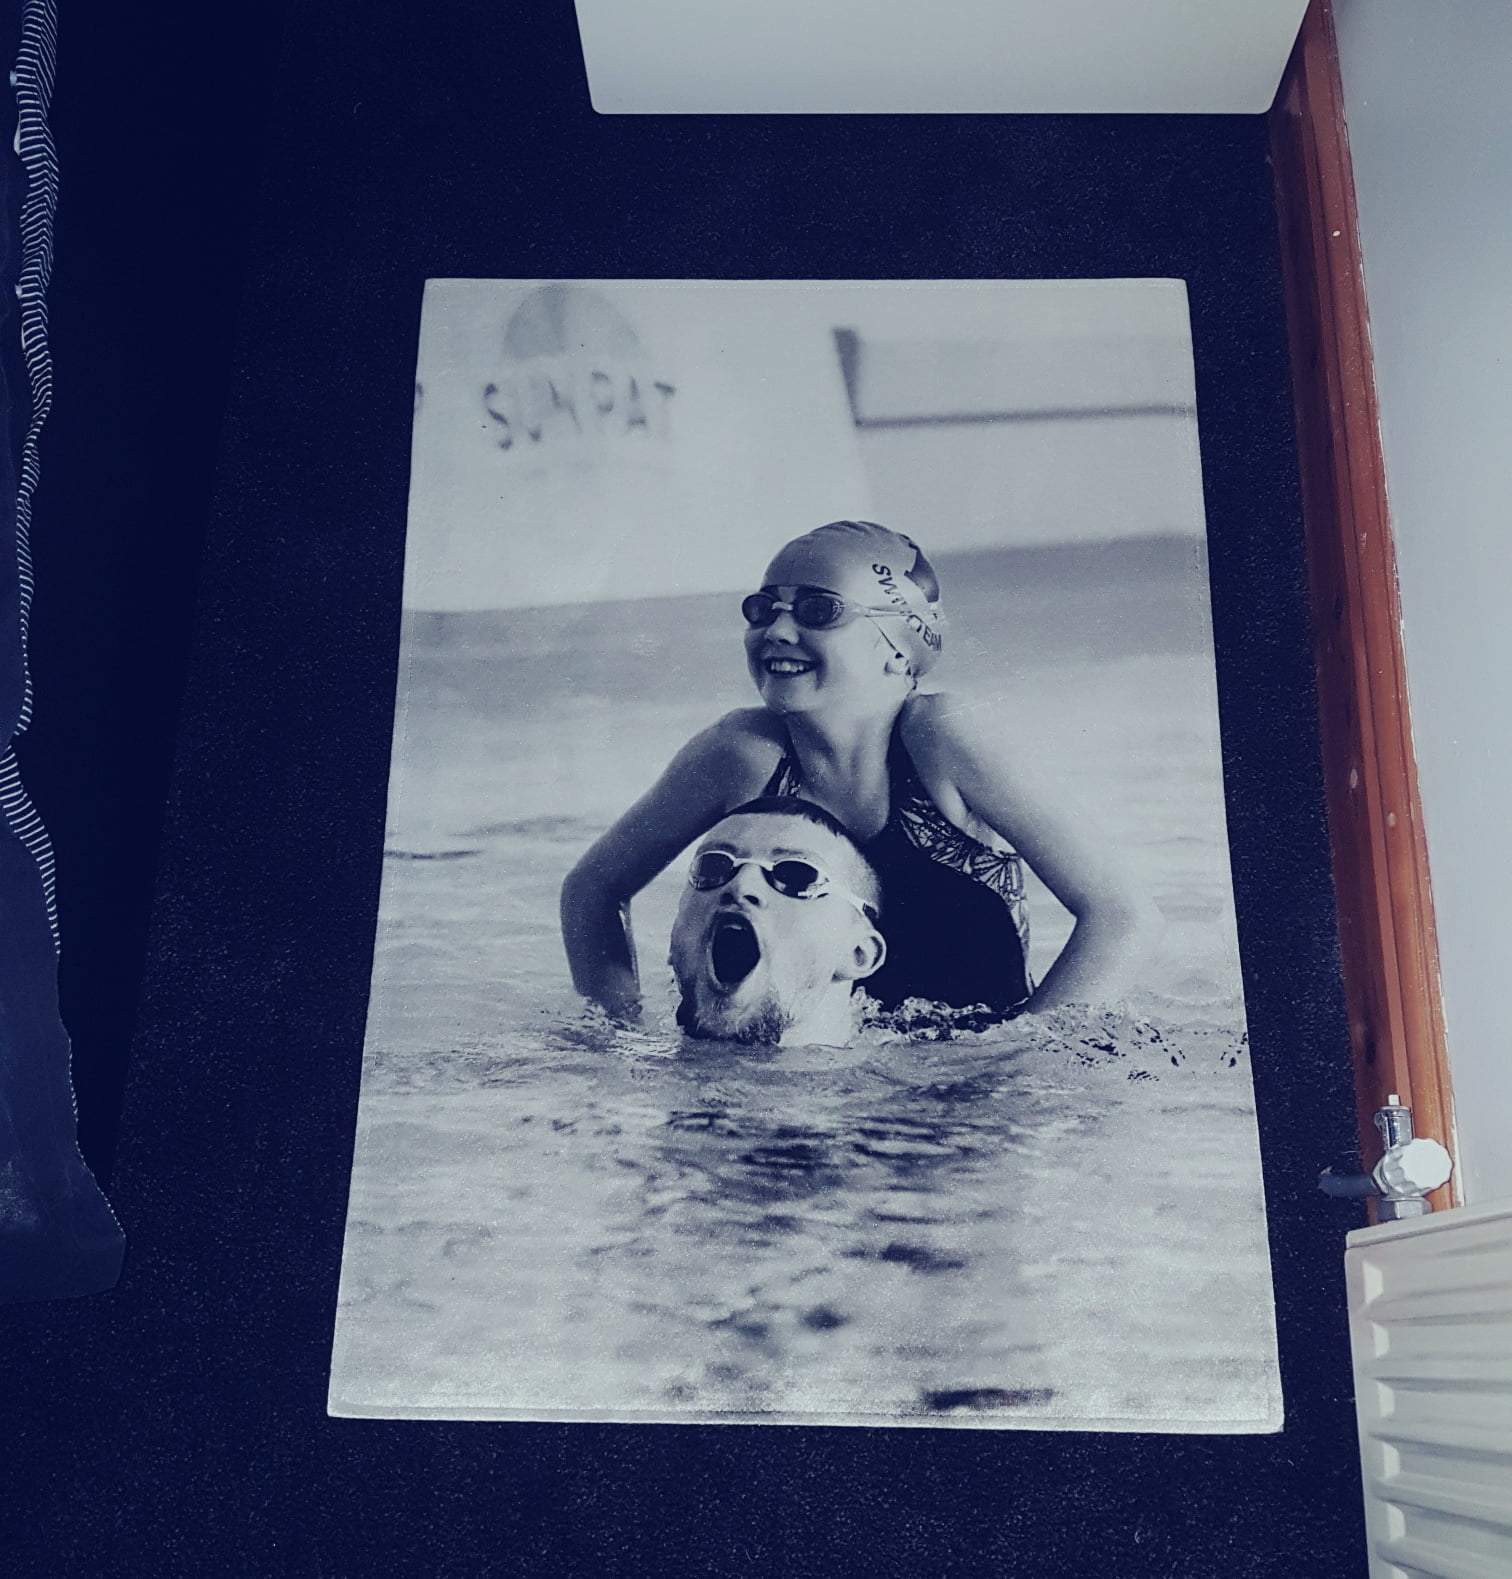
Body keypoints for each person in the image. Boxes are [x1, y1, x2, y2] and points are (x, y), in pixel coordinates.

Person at [561, 519, 1158, 1020]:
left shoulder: (942, 739)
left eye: (819, 611)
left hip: (974, 1083)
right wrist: (618, 1036)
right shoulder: (743, 754)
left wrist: (1019, 1058)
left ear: (898, 643)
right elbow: (592, 890)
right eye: (762, 608)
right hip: (803, 1070)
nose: (777, 629)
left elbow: (1123, 917)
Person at [668, 798, 886, 1046]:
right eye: (712, 867)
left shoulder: (917, 1080)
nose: (741, 885)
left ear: (859, 953)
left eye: (796, 874)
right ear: (674, 938)